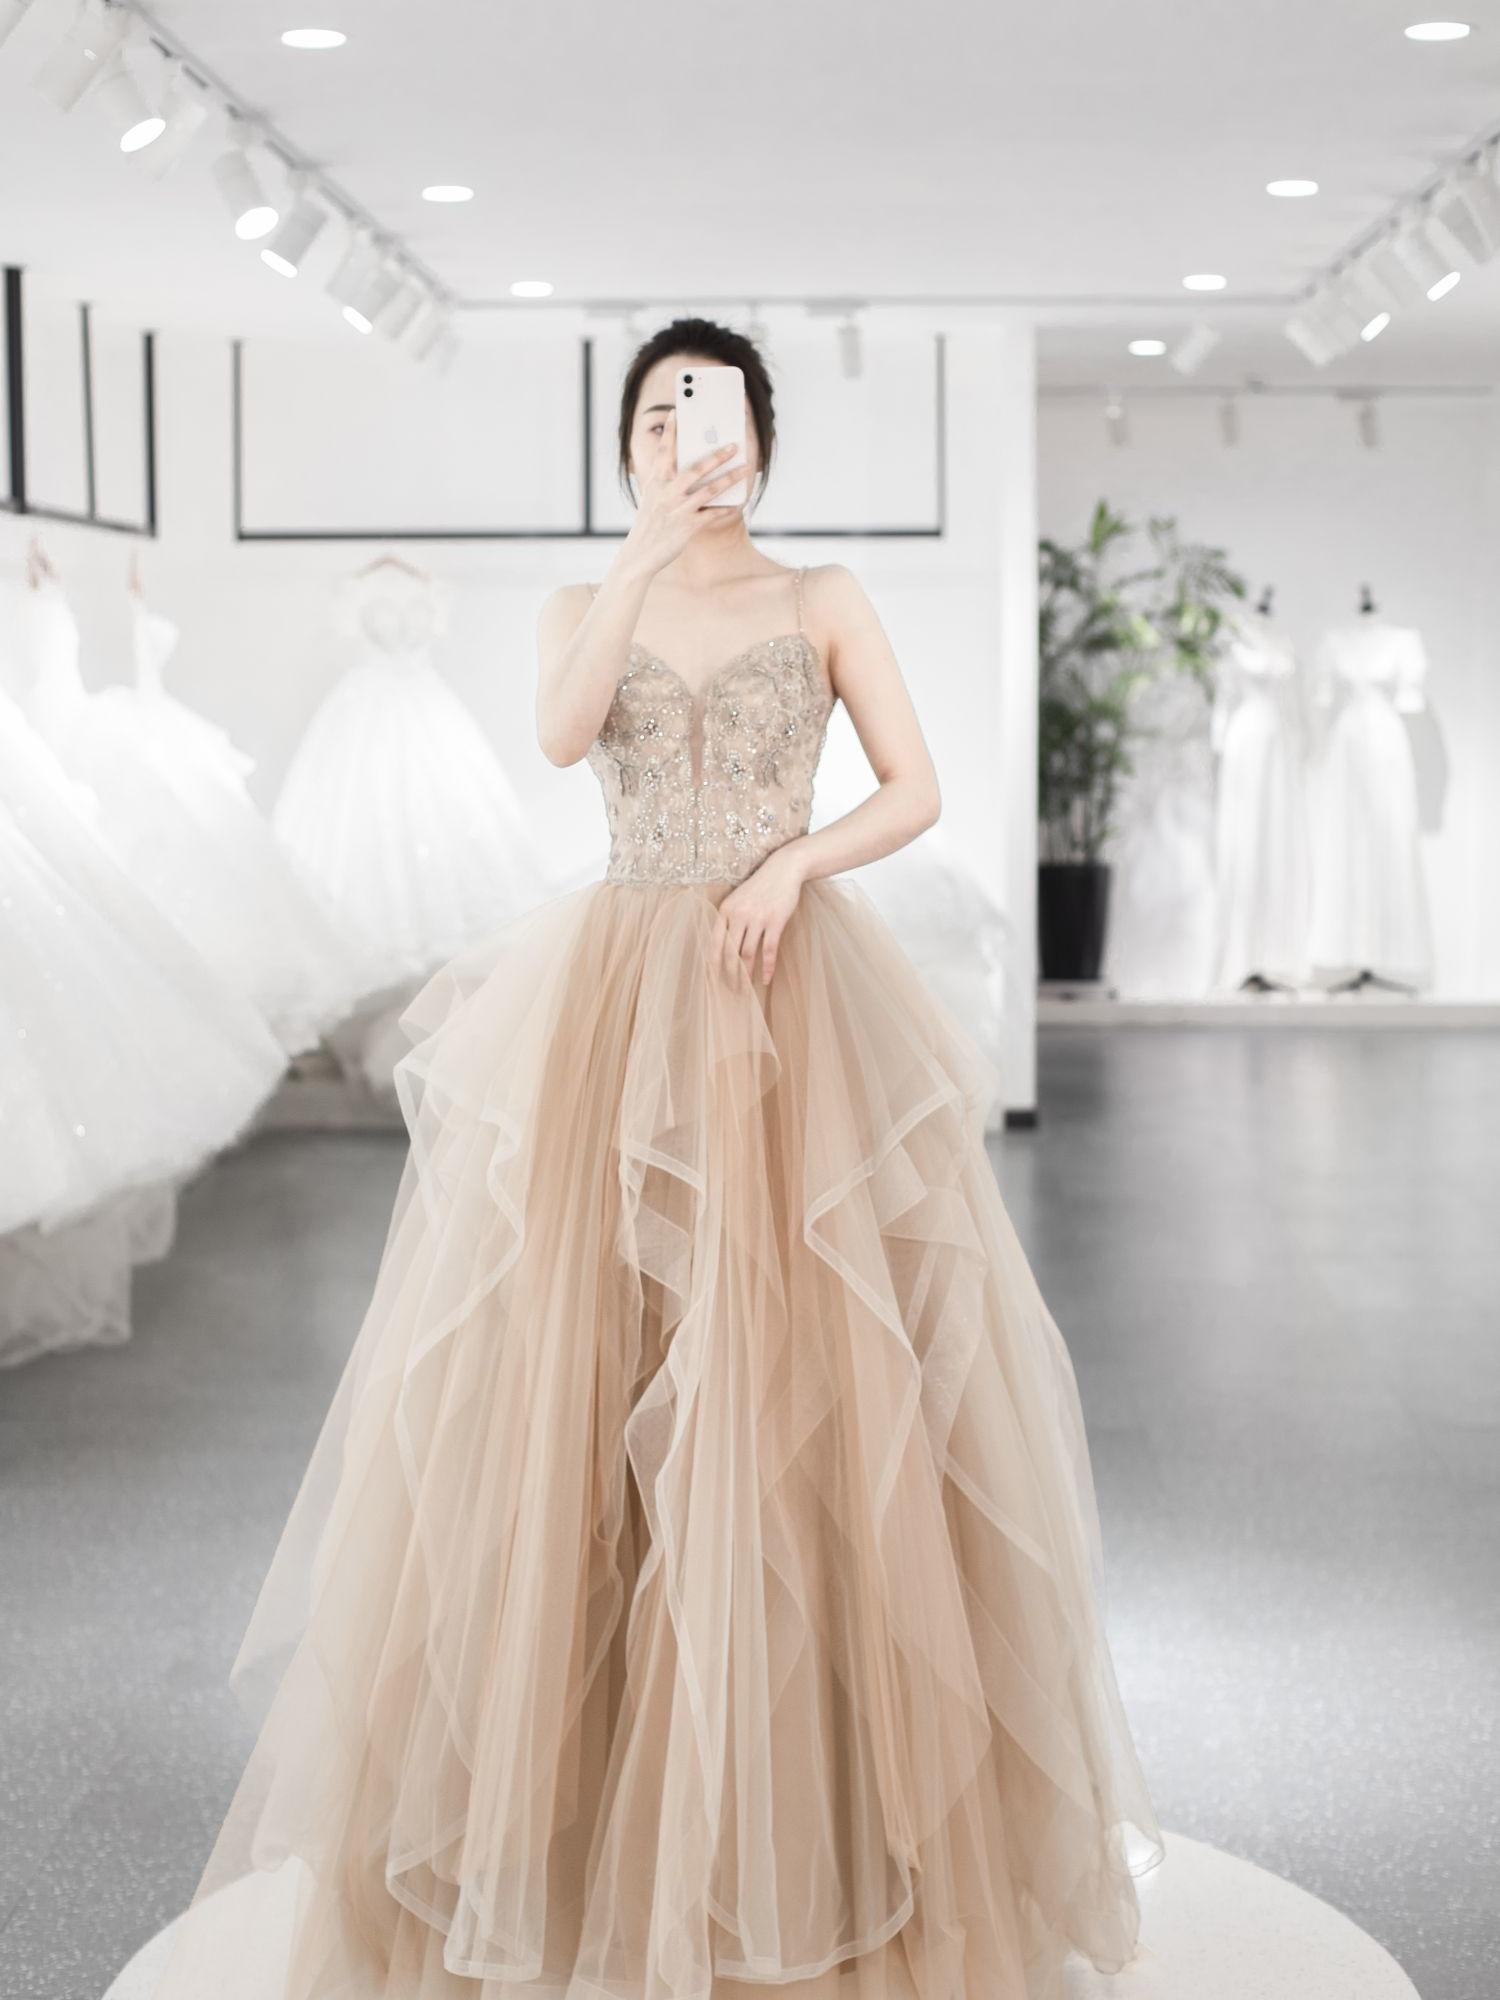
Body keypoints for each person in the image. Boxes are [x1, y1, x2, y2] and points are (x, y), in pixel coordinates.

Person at [145, 317, 1163, 2000]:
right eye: (656, 423)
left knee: (805, 1390)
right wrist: (635, 554)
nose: (690, 445)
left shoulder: (822, 594)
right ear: (629, 446)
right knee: (586, 1389)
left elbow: (912, 788)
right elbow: (563, 736)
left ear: (759, 439)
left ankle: (809, 1826)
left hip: (787, 1000)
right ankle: (591, 1826)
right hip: (617, 1007)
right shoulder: (581, 603)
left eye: (715, 419)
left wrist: (792, 866)